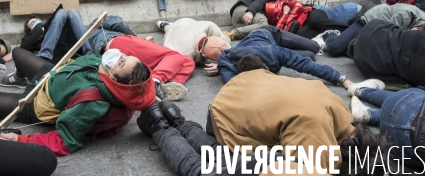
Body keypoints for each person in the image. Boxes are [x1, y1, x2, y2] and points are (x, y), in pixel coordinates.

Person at [138, 58, 389, 175]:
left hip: (238, 93)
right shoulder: (318, 145)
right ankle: (163, 126)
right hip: (226, 117)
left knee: (215, 154)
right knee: (202, 166)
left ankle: (176, 121)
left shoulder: (340, 110)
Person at [0, 48, 156, 157]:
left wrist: (22, 140)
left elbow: (65, 141)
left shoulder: (92, 102)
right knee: (17, 52)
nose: (119, 56)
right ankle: (18, 79)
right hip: (50, 76)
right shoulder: (105, 67)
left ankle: (24, 91)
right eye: (125, 55)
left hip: (39, 104)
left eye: (122, 61)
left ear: (114, 78)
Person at [351, 88, 425, 174]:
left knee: (412, 103)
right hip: (398, 142)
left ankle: (362, 91)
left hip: (403, 102)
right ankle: (371, 114)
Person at [84, 15, 193, 100]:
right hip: (118, 42)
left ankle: (164, 81)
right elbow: (114, 22)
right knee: (175, 57)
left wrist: (142, 41)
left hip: (114, 50)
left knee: (187, 61)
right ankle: (156, 80)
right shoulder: (98, 27)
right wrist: (137, 38)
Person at [210, 28, 358, 88]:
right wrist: (222, 66)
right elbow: (232, 87)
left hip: (269, 33)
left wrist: (341, 79)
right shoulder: (227, 62)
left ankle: (324, 37)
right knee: (311, 56)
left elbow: (307, 66)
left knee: (313, 48)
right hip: (256, 46)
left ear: (266, 66)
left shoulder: (274, 53)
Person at [349, 19, 425, 96]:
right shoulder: (372, 24)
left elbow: (395, 81)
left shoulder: (361, 63)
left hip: (418, 67)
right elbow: (399, 28)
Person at [320, 3, 425, 57]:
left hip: (379, 27)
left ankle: (350, 44)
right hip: (368, 21)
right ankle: (331, 34)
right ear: (416, 26)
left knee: (358, 52)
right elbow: (388, 38)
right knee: (334, 48)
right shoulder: (403, 15)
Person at [17, 5, 86, 67]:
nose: (37, 22)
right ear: (30, 30)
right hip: (58, 57)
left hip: (73, 49)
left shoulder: (53, 26)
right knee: (61, 12)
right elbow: (24, 46)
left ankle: (89, 53)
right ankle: (45, 56)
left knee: (72, 11)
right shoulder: (33, 37)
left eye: (38, 20)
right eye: (33, 23)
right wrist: (41, 30)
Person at [156, 17, 231, 65]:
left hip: (186, 23)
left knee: (227, 38)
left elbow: (227, 47)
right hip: (173, 34)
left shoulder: (210, 26)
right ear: (203, 54)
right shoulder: (183, 52)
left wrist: (220, 63)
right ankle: (164, 25)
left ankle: (166, 25)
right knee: (169, 29)